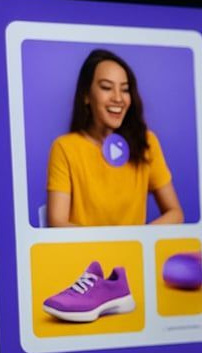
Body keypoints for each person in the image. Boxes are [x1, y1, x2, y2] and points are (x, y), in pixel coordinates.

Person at [46, 49, 183, 226]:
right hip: (87, 253)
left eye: (125, 90)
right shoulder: (65, 148)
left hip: (134, 252)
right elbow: (57, 221)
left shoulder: (146, 142)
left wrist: (139, 241)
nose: (118, 98)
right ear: (86, 95)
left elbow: (175, 213)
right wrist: (109, 248)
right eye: (106, 88)